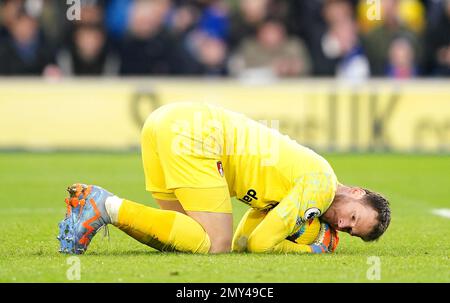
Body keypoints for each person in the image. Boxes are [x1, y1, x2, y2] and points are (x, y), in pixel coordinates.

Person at [57, 102, 390, 255]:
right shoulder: (320, 187)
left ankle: (100, 209)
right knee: (213, 244)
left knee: (183, 238)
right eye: (353, 217)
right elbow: (260, 246)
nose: (341, 225)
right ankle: (105, 206)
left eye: (349, 231)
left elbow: (245, 240)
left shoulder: (306, 187)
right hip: (195, 135)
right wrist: (311, 250)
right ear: (357, 193)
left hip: (163, 122)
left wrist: (291, 231)